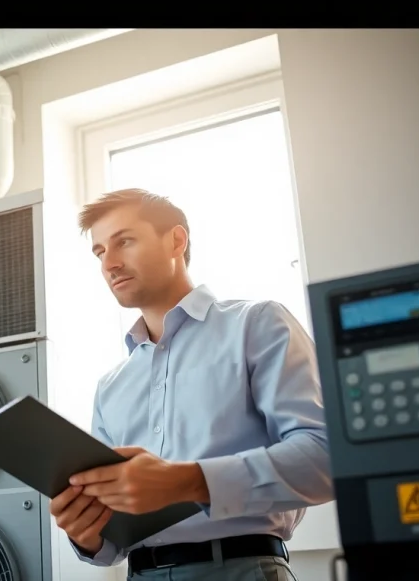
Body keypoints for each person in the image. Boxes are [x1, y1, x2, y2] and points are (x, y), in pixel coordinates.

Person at [50, 189, 333, 580]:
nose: (110, 264)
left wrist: (188, 481)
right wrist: (87, 534)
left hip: (242, 570)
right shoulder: (111, 386)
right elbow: (112, 547)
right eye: (99, 253)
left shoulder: (257, 324)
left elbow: (326, 457)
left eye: (124, 242)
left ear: (176, 240)